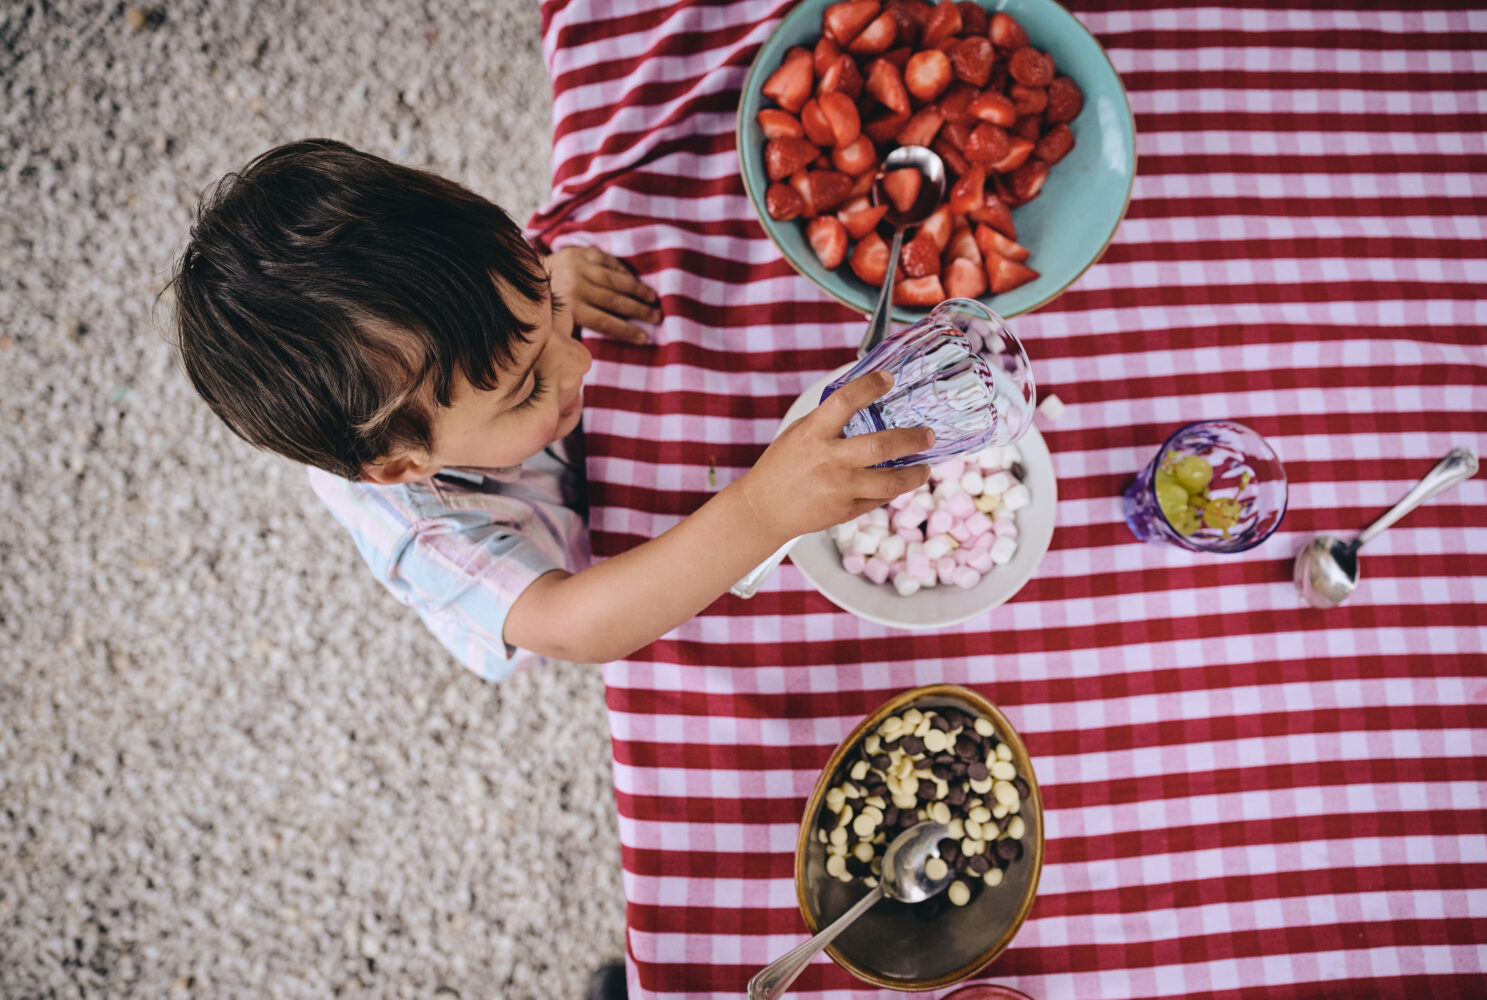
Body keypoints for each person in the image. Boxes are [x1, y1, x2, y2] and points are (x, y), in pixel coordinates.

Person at [171, 139, 932, 678]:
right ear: (404, 465)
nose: (580, 362)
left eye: (547, 311)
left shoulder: (467, 304)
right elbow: (576, 627)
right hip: (561, 564)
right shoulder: (426, 534)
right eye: (529, 384)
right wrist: (761, 510)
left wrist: (552, 279)